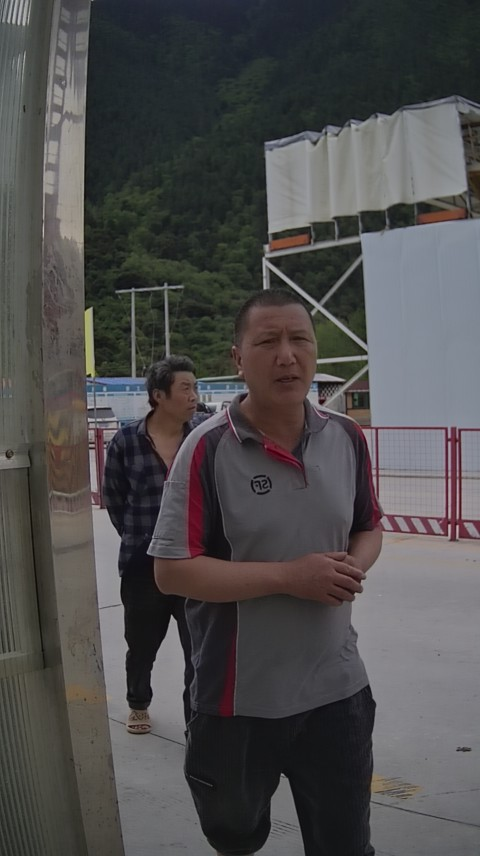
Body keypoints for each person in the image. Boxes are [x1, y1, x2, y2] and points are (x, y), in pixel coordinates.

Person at [148, 290, 383, 855]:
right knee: (234, 835)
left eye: (300, 340)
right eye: (268, 341)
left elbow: (369, 526)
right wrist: (289, 577)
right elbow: (171, 572)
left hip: (338, 691)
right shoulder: (207, 449)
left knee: (346, 844)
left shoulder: (346, 436)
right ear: (238, 358)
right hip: (237, 700)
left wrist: (351, 566)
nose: (287, 356)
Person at [103, 355, 208, 734]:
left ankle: (196, 717)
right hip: (142, 565)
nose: (194, 396)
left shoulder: (204, 437)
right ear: (158, 395)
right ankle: (138, 703)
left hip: (195, 563)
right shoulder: (126, 442)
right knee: (141, 644)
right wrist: (140, 538)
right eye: (185, 388)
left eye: (195, 388)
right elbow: (114, 499)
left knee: (199, 649)